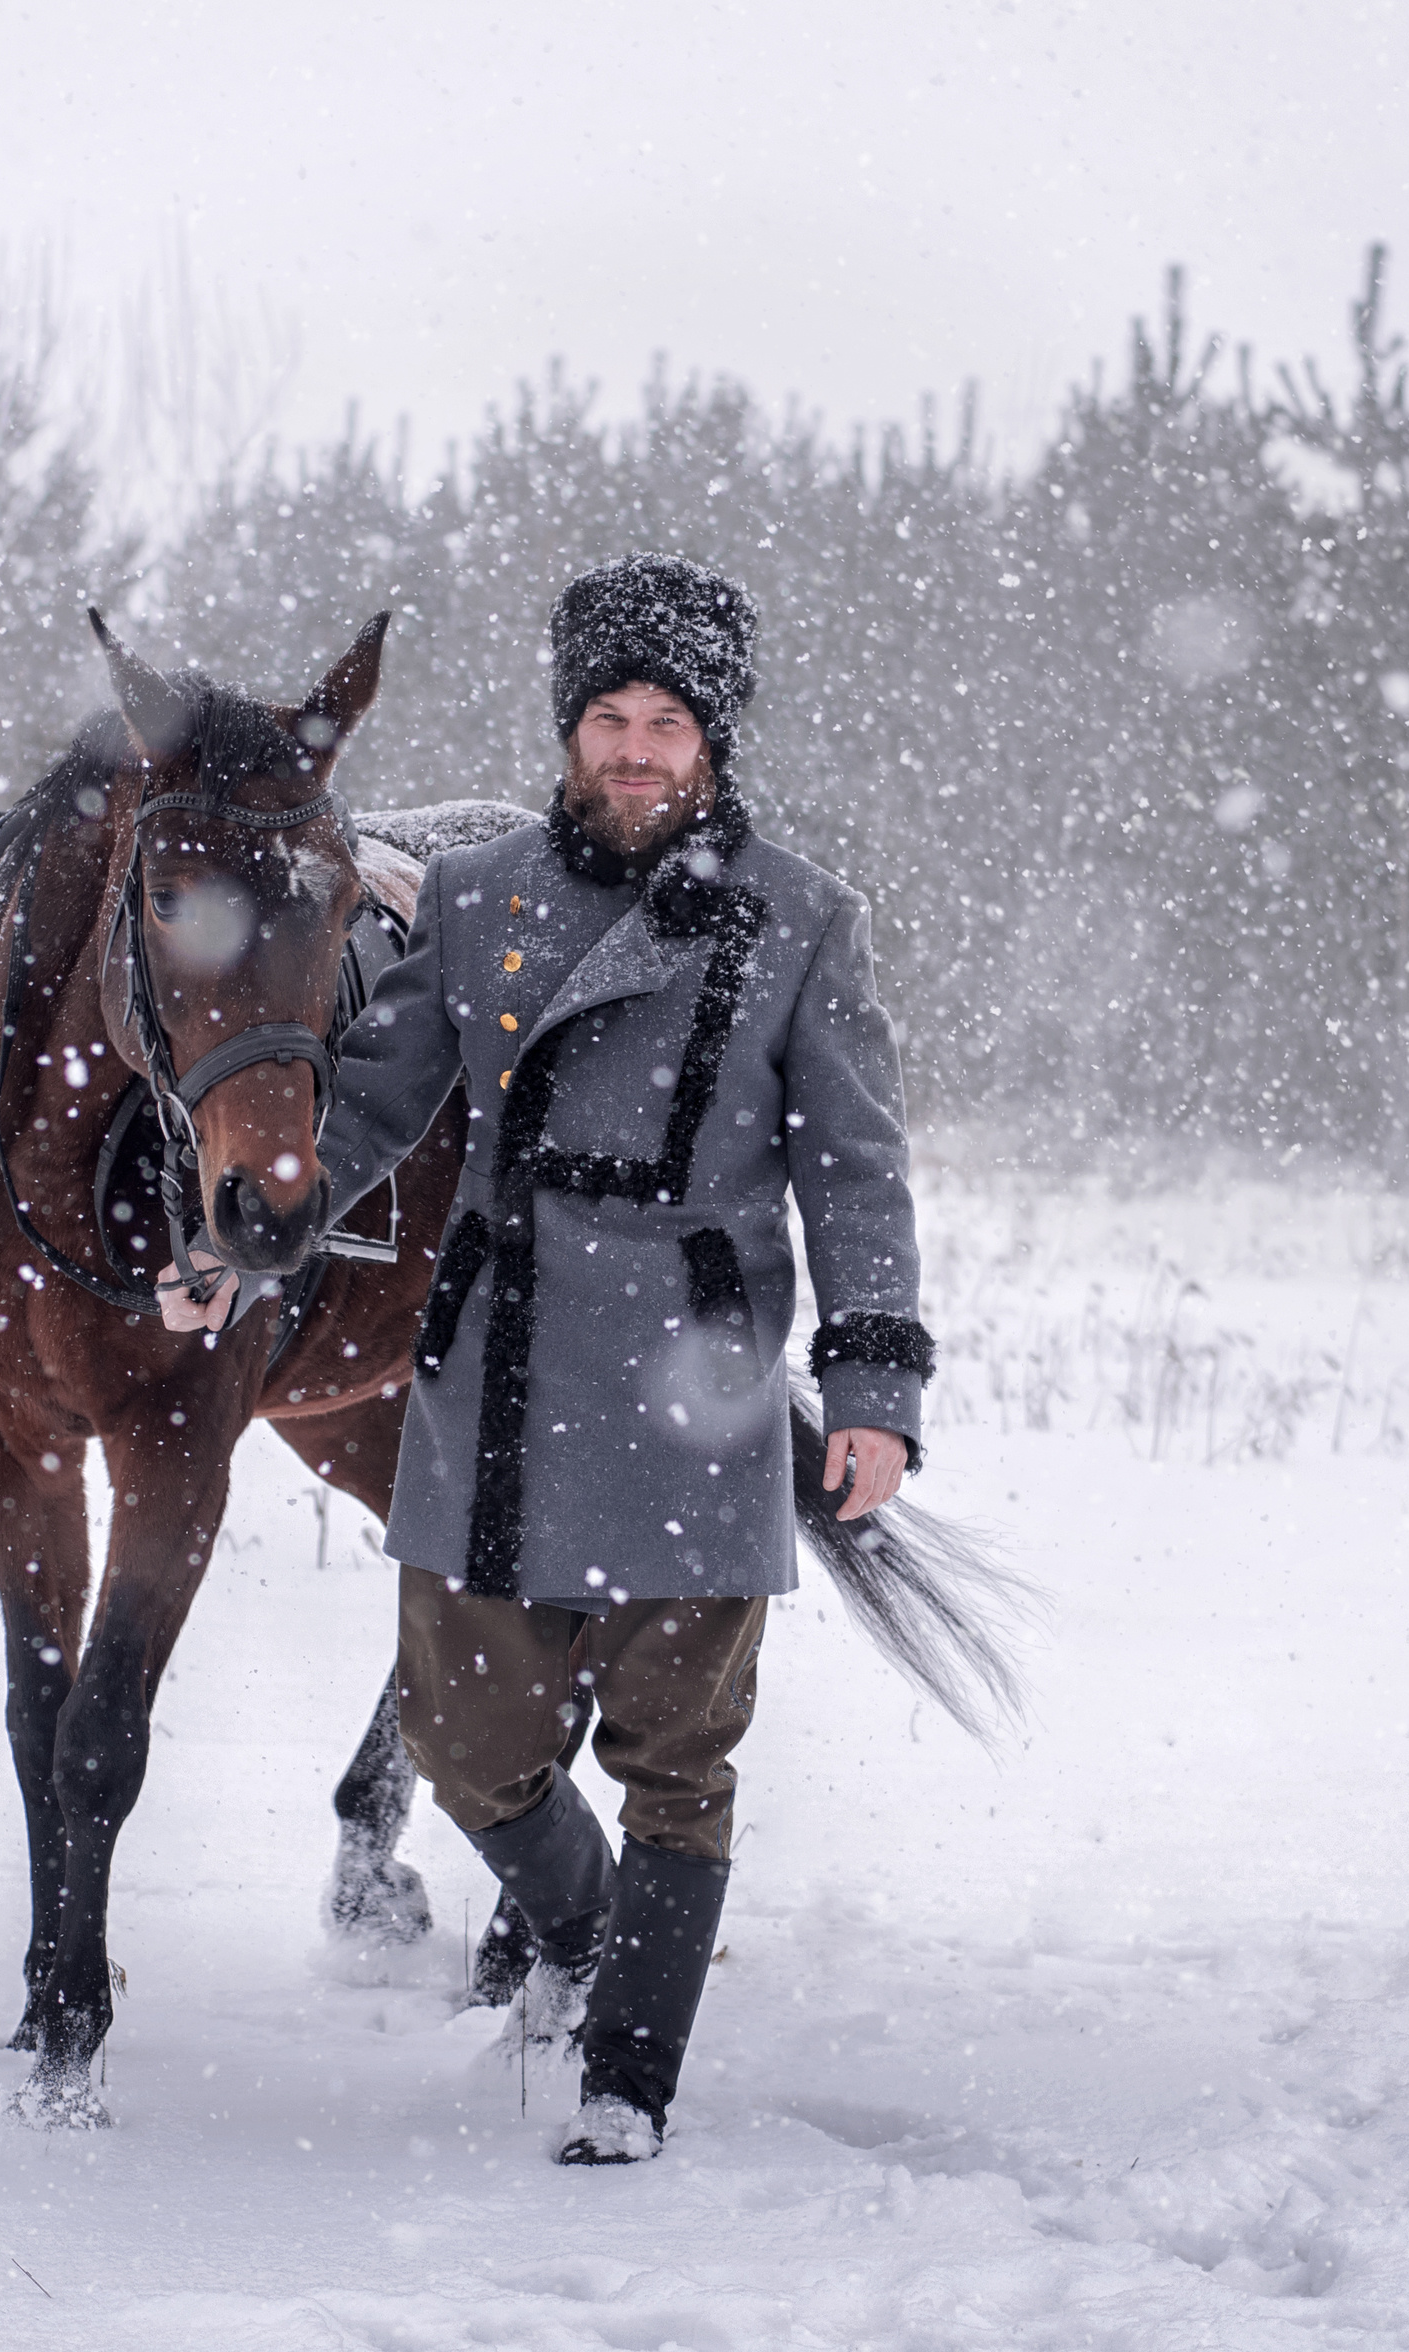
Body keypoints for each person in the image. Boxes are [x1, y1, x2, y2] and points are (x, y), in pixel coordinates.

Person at [168, 554, 934, 2163]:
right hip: (500, 1371)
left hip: (701, 1377)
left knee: (677, 1753)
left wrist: (872, 1394)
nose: (638, 749)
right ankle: (591, 1942)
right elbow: (374, 1108)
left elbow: (854, 1171)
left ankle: (626, 2082)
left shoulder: (799, 920)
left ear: (712, 743)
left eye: (668, 722)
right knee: (467, 1745)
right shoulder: (482, 896)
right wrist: (243, 1238)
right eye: (610, 718)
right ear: (570, 732)